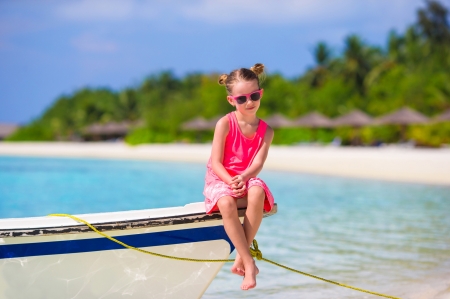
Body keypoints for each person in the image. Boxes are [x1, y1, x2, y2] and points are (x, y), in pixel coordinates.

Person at [203, 63, 275, 291]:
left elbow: (258, 164)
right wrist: (229, 181)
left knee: (257, 191)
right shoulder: (224, 123)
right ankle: (249, 262)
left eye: (254, 95)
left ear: (260, 94)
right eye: (242, 99)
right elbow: (215, 162)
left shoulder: (267, 131)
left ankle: (240, 259)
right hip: (220, 178)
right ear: (232, 100)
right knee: (225, 202)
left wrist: (243, 177)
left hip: (246, 178)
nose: (249, 102)